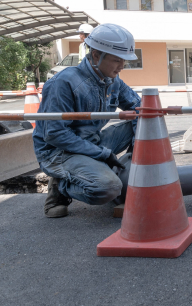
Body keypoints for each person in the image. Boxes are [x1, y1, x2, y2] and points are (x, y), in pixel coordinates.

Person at [33, 24, 141, 218]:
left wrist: (137, 150)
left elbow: (138, 108)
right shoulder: (64, 83)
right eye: (117, 60)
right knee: (108, 188)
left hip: (91, 141)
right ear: (97, 56)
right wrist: (102, 154)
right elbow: (55, 134)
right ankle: (61, 185)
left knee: (147, 124)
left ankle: (120, 171)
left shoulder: (111, 80)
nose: (121, 67)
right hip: (59, 152)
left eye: (124, 61)